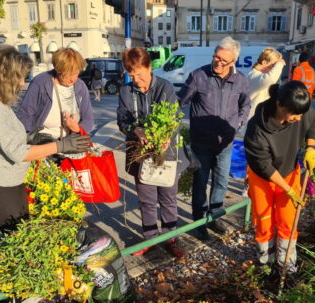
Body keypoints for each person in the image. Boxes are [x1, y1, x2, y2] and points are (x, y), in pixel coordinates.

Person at [0, 45, 91, 233]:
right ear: (4, 76)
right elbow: (17, 152)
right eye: (19, 77)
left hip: (10, 180)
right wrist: (60, 145)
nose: (22, 83)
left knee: (23, 231)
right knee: (18, 235)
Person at [178, 36, 251, 240]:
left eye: (223, 60)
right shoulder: (198, 76)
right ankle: (199, 222)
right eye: (215, 57)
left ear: (233, 62)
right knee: (200, 184)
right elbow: (179, 102)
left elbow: (245, 104)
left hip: (226, 143)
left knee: (220, 183)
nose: (217, 63)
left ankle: (215, 216)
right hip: (201, 143)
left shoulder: (241, 80)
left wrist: (238, 123)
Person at [244, 81, 315, 277]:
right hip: (262, 178)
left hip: (290, 171)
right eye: (294, 114)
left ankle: (286, 264)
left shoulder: (299, 110)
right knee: (264, 220)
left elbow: (311, 121)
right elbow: (264, 166)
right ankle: (265, 264)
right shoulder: (256, 130)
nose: (299, 118)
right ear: (279, 105)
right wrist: (289, 189)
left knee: (288, 220)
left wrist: (311, 148)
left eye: (300, 114)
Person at [117, 47, 185, 258]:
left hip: (167, 153)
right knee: (146, 200)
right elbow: (122, 120)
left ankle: (170, 238)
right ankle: (150, 239)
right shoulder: (125, 92)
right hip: (141, 153)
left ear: (149, 67)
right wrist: (135, 129)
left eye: (140, 73)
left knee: (168, 198)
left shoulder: (164, 87)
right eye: (131, 75)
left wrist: (166, 138)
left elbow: (174, 118)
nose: (136, 79)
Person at [17, 48, 94, 140]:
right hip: (43, 140)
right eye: (68, 74)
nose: (72, 79)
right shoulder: (41, 82)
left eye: (76, 74)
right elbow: (24, 114)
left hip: (71, 140)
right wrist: (30, 137)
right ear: (58, 70)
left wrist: (76, 128)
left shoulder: (80, 86)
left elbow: (88, 119)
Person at [247, 48, 285, 119]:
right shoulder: (254, 75)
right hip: (252, 121)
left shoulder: (259, 75)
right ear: (264, 62)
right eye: (274, 65)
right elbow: (270, 79)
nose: (275, 68)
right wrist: (279, 64)